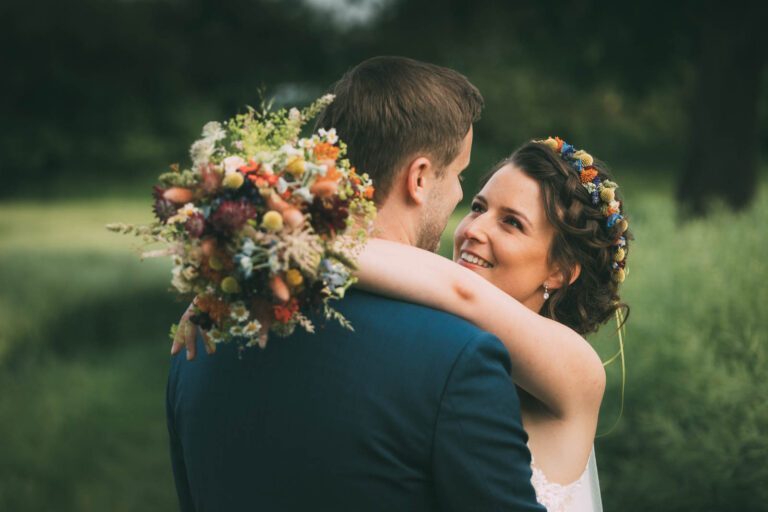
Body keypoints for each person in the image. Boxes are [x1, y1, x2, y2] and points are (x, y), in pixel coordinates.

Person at [167, 56, 545, 511]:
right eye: (459, 175)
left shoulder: (203, 335)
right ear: (421, 177)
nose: (462, 196)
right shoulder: (459, 360)